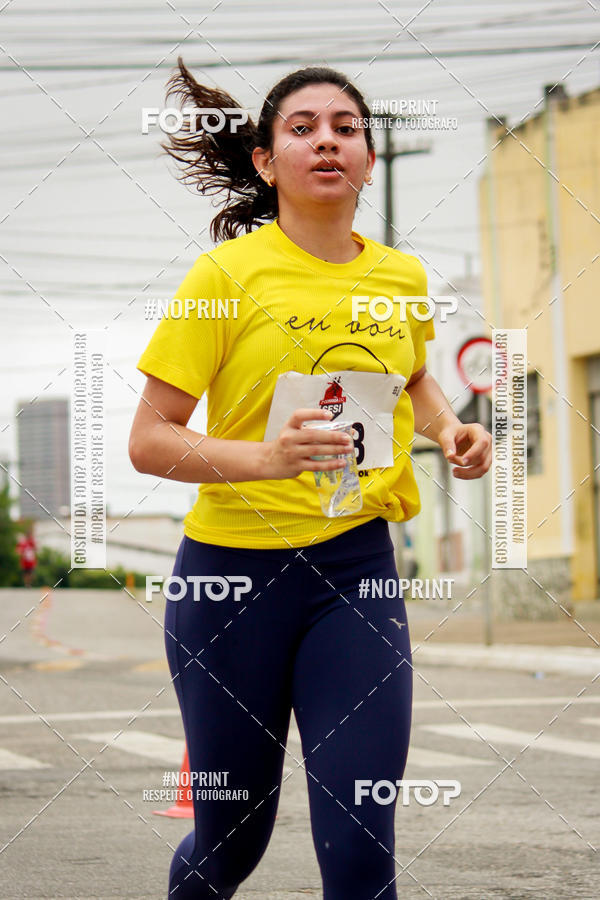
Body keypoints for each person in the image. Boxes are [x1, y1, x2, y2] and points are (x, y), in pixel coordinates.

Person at [129, 57, 492, 900]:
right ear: (265, 159)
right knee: (231, 842)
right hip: (231, 581)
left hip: (355, 572)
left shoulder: (400, 278)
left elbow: (407, 379)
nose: (327, 141)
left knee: (362, 839)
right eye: (303, 128)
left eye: (346, 128)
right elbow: (150, 442)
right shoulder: (223, 280)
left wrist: (452, 430)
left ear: (368, 157)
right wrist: (265, 458)